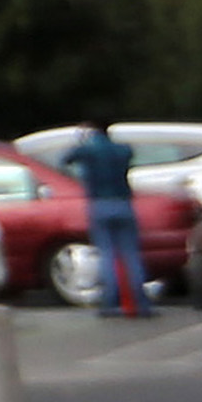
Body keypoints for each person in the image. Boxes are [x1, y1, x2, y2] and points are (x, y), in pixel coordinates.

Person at [60, 125, 155, 318]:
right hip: (123, 203)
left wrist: (82, 140)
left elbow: (65, 159)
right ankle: (141, 303)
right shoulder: (122, 149)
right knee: (131, 255)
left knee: (108, 255)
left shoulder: (86, 149)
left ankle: (110, 303)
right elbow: (129, 155)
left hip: (99, 204)